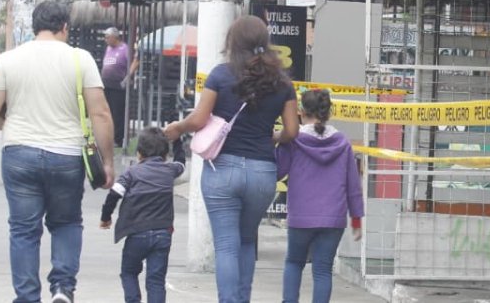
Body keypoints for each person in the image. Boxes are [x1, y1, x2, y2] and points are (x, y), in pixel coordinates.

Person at [0, 1, 115, 303]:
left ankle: (27, 297)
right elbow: (100, 114)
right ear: (65, 27)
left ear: (34, 27)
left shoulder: (8, 60)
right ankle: (62, 288)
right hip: (67, 156)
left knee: (23, 230)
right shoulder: (81, 59)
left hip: (19, 154)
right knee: (66, 222)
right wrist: (109, 162)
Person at [163, 16, 299, 303]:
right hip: (263, 173)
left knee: (226, 245)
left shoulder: (220, 75)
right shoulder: (283, 83)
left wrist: (178, 128)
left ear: (233, 42)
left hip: (222, 169)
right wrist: (273, 138)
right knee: (247, 240)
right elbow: (291, 131)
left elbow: (200, 119)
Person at [276, 89, 364, 303]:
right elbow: (353, 185)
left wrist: (278, 143)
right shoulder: (343, 143)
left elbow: (278, 171)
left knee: (294, 263)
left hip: (301, 217)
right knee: (323, 270)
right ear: (329, 112)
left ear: (300, 111)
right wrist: (356, 219)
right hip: (333, 219)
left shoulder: (294, 140)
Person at [101, 127, 187, 303]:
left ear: (139, 153)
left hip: (136, 234)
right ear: (165, 155)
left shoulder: (131, 173)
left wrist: (106, 217)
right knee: (156, 280)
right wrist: (177, 139)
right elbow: (181, 163)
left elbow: (114, 194)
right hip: (163, 235)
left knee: (129, 272)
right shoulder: (169, 170)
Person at [101, 27, 138, 148]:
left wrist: (127, 77)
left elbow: (135, 61)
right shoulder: (108, 48)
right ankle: (107, 136)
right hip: (107, 84)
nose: (105, 39)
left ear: (114, 37)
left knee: (117, 113)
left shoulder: (124, 49)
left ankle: (117, 139)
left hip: (118, 85)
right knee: (107, 112)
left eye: (107, 37)